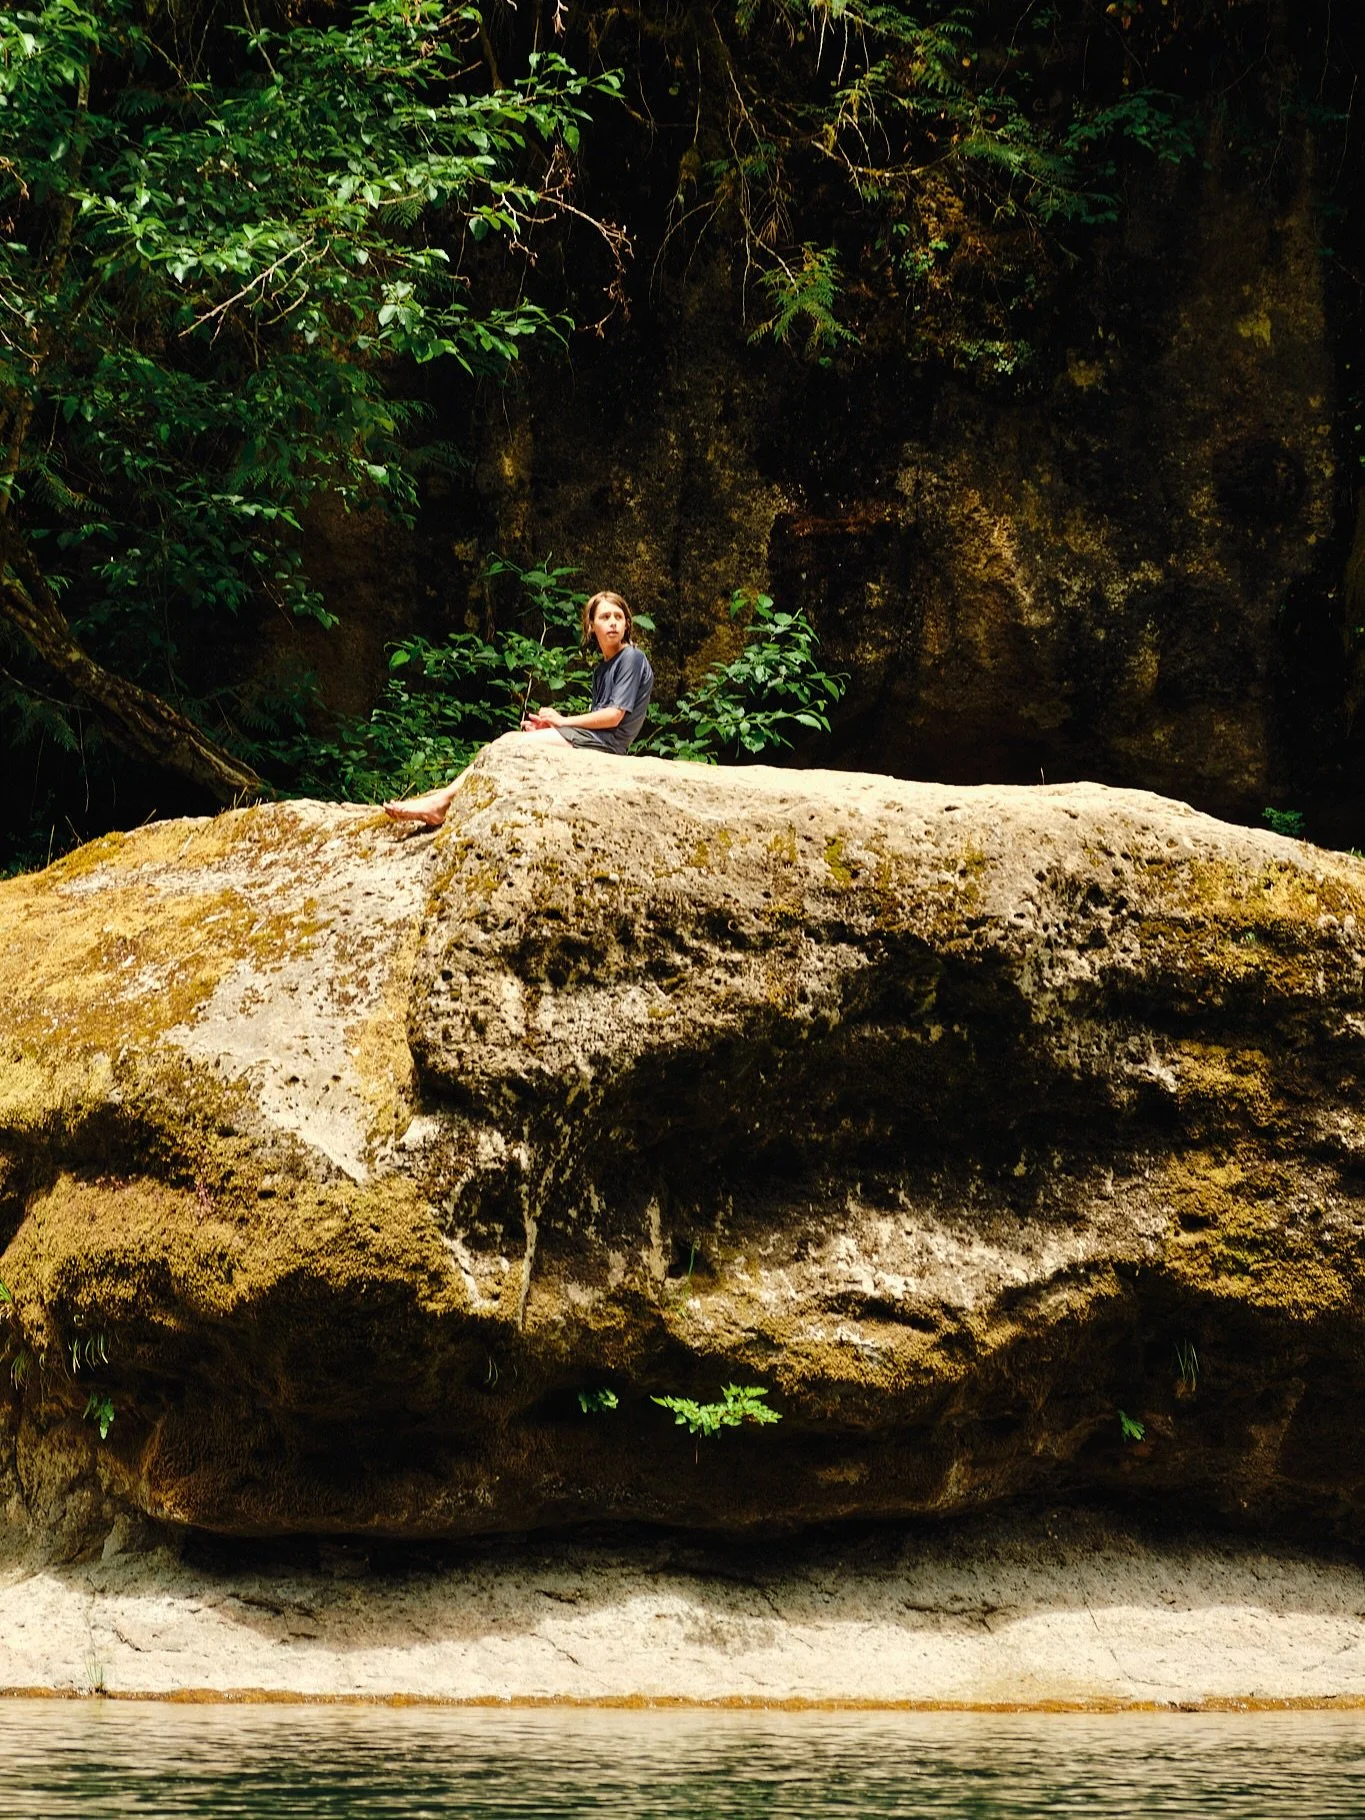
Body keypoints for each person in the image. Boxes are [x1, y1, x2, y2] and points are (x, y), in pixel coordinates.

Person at [383, 589, 654, 827]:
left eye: (618, 617)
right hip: (597, 739)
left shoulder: (630, 657)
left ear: (627, 624)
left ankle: (442, 803)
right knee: (512, 742)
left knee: (508, 743)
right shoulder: (603, 669)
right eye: (605, 617)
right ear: (591, 625)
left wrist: (562, 722)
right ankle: (445, 795)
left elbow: (613, 716)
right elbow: (599, 718)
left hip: (607, 744)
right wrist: (551, 728)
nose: (613, 623)